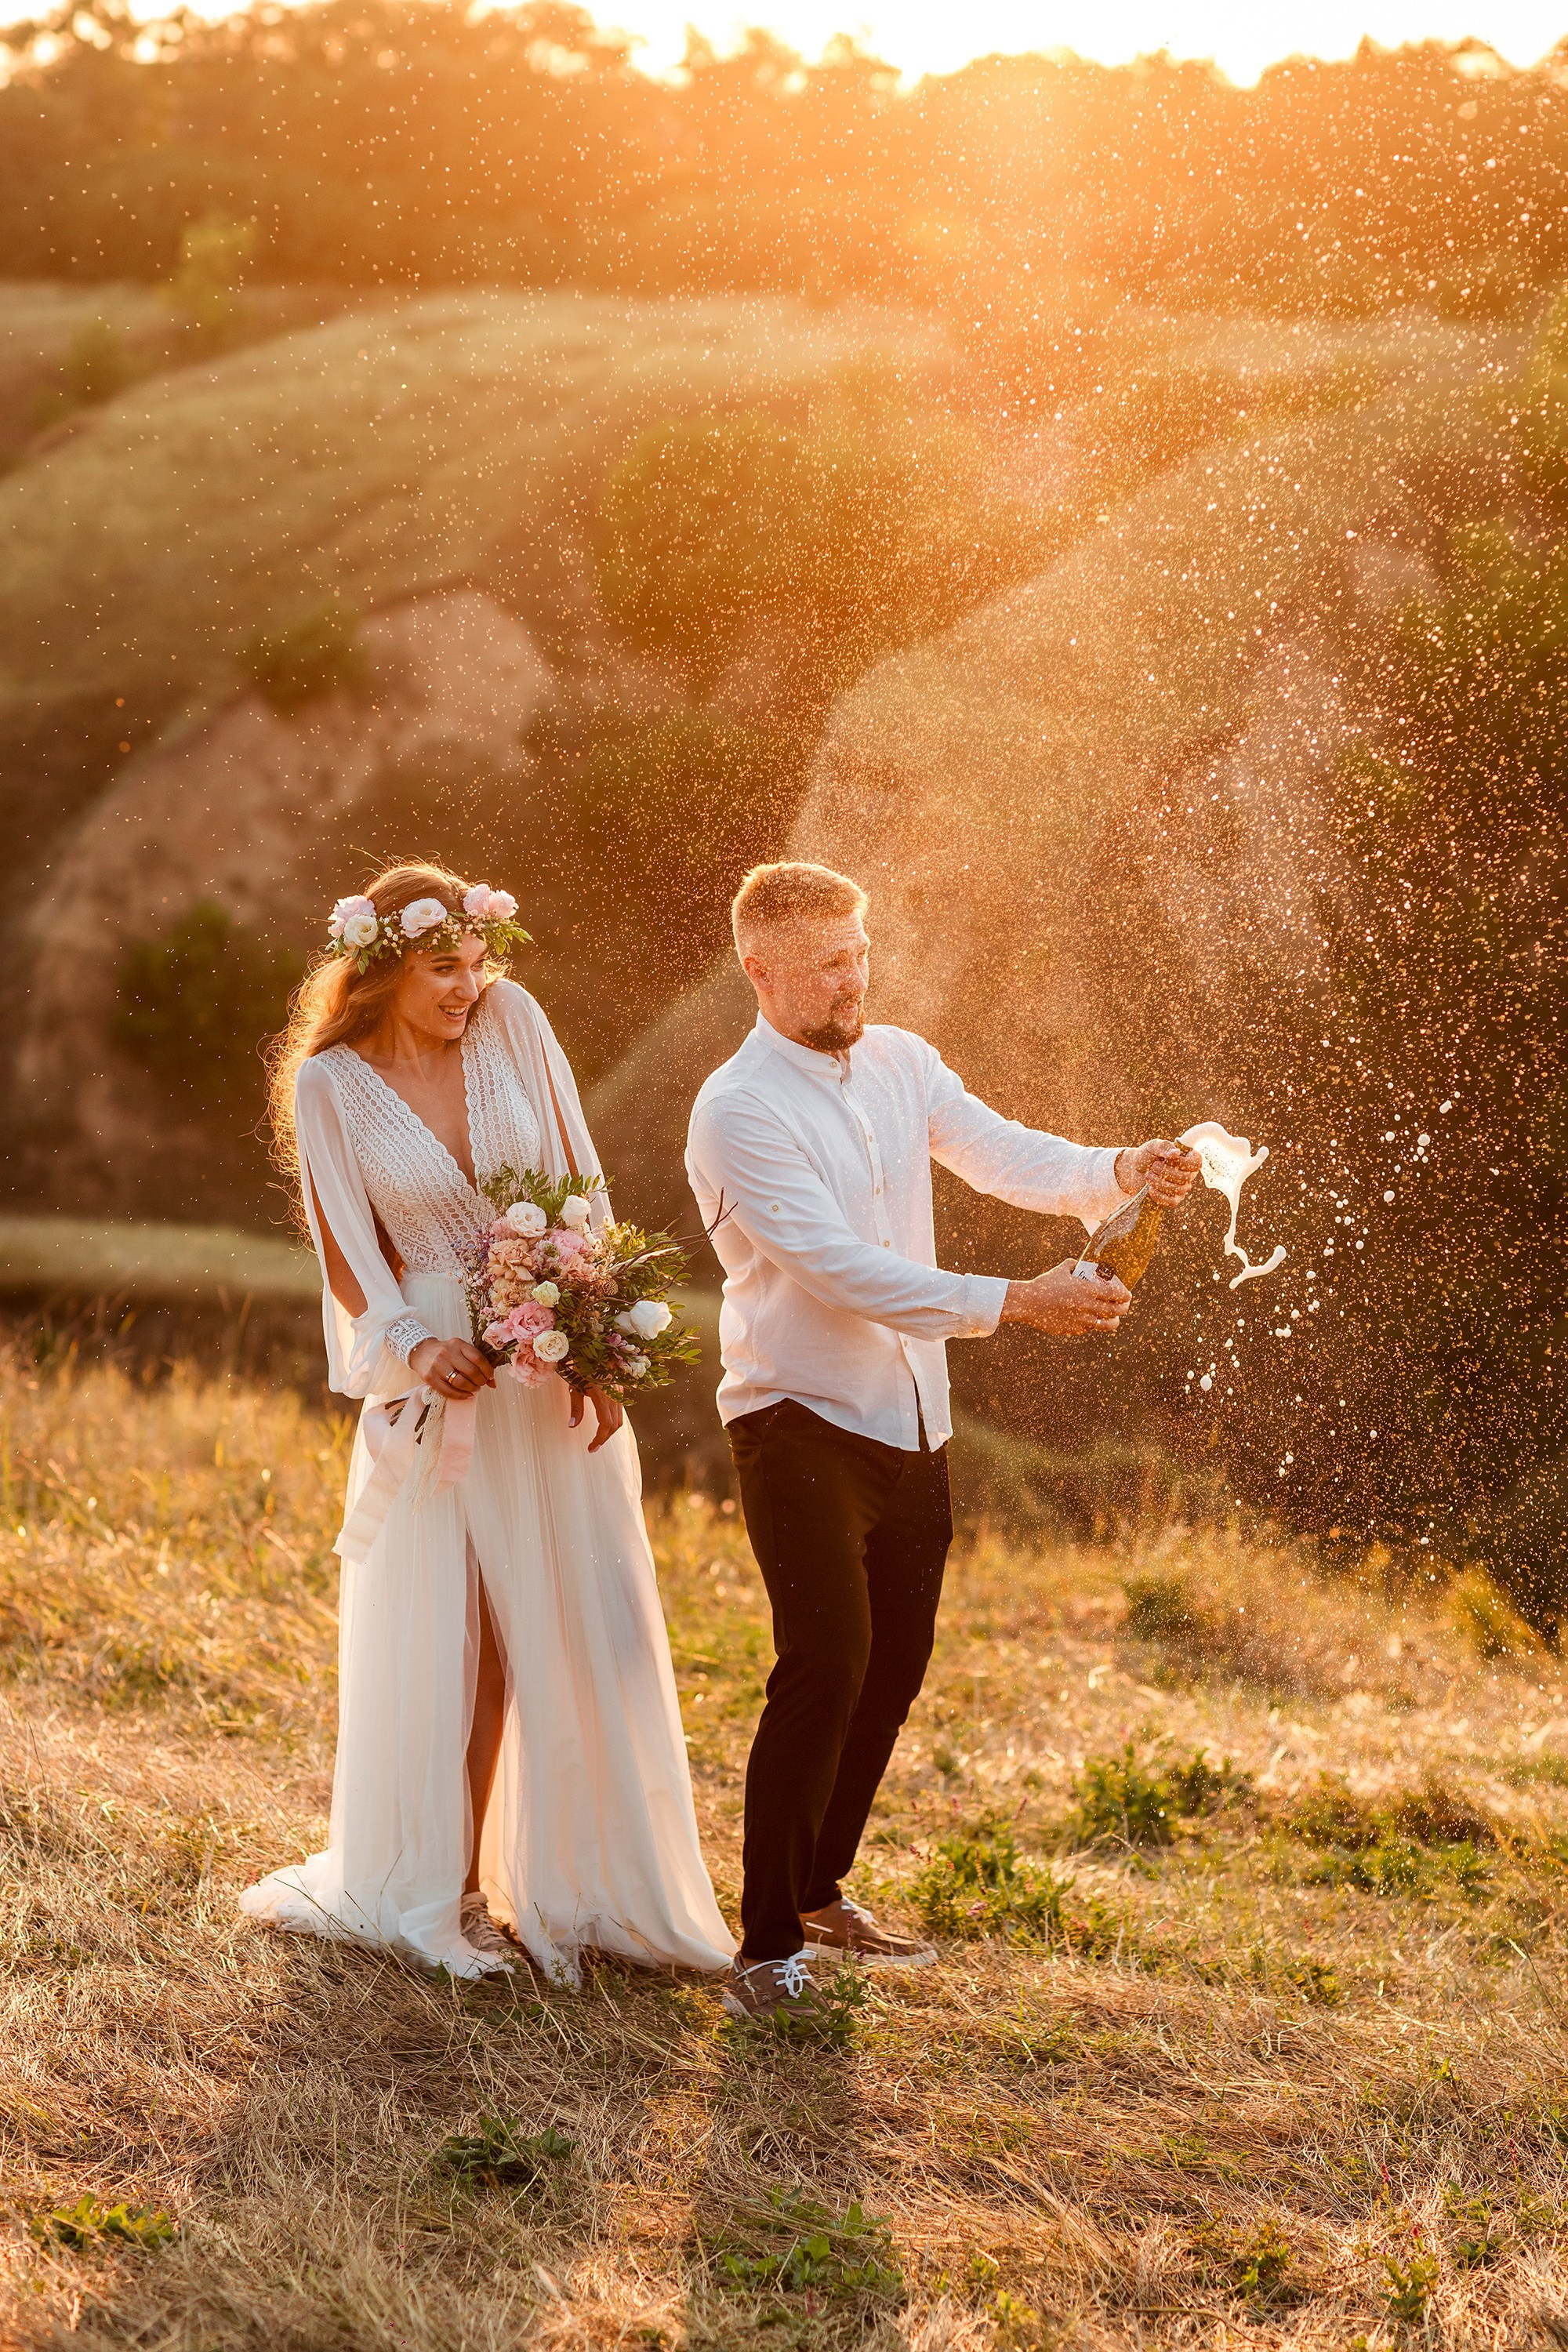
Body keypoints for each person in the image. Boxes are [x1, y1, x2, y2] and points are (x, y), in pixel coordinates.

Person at [685, 861, 1200, 2020]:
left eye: (859, 954)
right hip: (796, 1415)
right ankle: (765, 1951)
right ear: (760, 970)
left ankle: (820, 1891)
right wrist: (1012, 1302)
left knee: (893, 1668)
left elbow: (1006, 1152)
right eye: (827, 963)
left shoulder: (904, 1062)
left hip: (913, 1416)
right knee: (825, 1664)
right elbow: (835, 1268)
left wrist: (1119, 1171)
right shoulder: (735, 1107)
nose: (852, 978)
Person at [241, 862, 734, 1986]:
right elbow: (348, 1255)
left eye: (476, 963)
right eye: (442, 968)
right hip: (439, 1371)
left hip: (544, 1355)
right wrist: (416, 1347)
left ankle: (582, 1884)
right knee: (455, 1638)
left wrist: (596, 1343)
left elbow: (580, 1188)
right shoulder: (329, 1084)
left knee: (563, 1624)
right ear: (381, 971)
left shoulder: (513, 1022)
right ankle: (443, 1893)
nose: (468, 987)